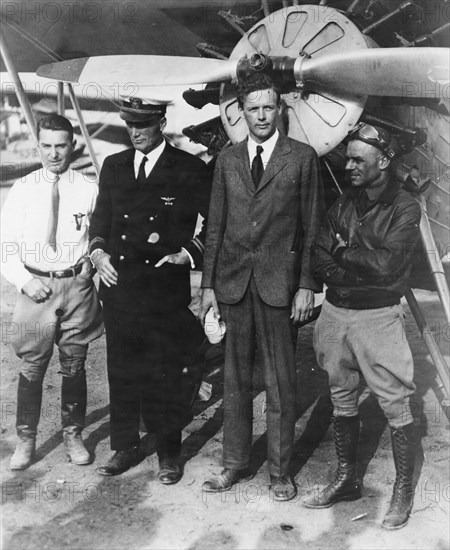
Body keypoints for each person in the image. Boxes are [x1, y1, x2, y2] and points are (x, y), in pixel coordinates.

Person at [199, 74, 325, 501]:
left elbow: (312, 228)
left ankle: (279, 472)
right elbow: (214, 227)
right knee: (233, 383)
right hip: (234, 285)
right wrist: (208, 286)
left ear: (280, 110)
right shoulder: (228, 161)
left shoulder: (302, 158)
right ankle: (233, 464)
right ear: (241, 112)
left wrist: (306, 283)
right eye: (253, 109)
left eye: (268, 107)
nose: (261, 116)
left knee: (280, 383)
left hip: (279, 287)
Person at [305, 123, 421, 530]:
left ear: (384, 162)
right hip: (335, 315)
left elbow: (390, 267)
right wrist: (353, 262)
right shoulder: (342, 203)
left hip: (378, 318)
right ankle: (347, 478)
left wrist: (342, 252)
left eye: (358, 159)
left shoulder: (405, 207)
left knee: (395, 402)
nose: (348, 165)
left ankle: (403, 492)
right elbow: (319, 256)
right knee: (342, 396)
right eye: (348, 158)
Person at [89, 95, 210, 483]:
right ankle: (124, 446)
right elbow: (100, 222)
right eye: (129, 124)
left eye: (142, 124)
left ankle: (169, 453)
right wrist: (98, 254)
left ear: (160, 121)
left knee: (166, 373)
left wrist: (188, 254)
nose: (135, 132)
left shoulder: (188, 167)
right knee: (122, 370)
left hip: (162, 291)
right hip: (120, 287)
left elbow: (216, 223)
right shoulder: (115, 165)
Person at [1, 114, 103, 470]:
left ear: (72, 145)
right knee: (32, 366)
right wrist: (24, 280)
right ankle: (26, 440)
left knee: (74, 364)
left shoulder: (87, 187)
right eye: (47, 145)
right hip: (36, 287)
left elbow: (97, 236)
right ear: (38, 145)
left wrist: (91, 262)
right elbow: (5, 245)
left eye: (61, 145)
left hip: (75, 287)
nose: (54, 153)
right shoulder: (24, 187)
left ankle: (73, 435)